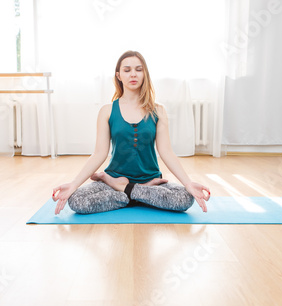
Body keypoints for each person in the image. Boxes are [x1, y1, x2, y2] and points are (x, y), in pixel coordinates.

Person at [52, 50, 210, 215]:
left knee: (184, 198)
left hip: (151, 181)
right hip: (114, 177)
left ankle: (122, 188)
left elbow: (166, 152)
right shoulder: (106, 111)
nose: (133, 74)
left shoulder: (159, 111)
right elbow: (99, 153)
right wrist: (73, 184)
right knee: (77, 201)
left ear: (144, 74)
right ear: (119, 75)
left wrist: (189, 183)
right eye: (127, 70)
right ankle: (137, 193)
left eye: (138, 69)